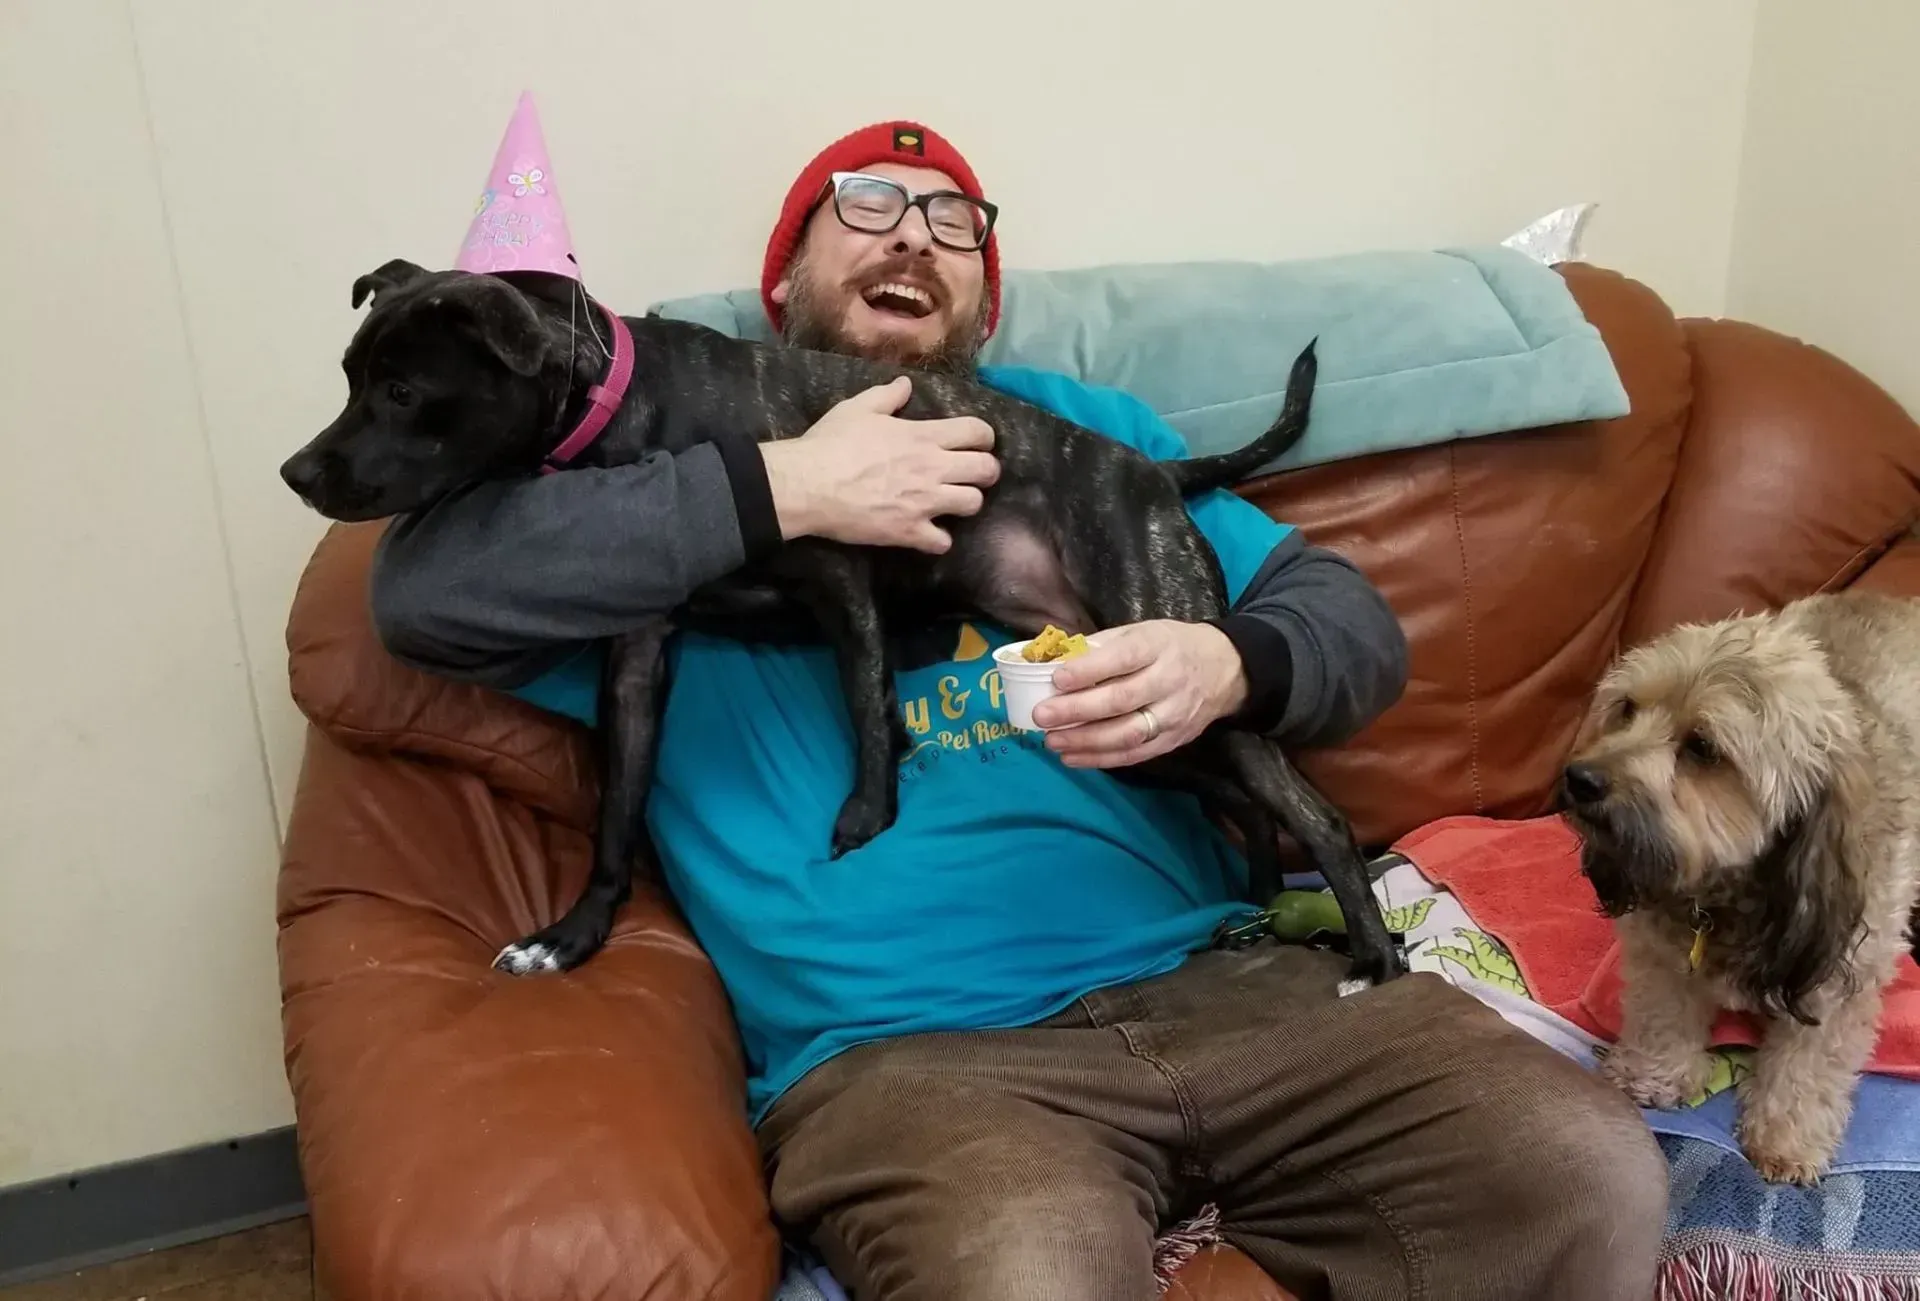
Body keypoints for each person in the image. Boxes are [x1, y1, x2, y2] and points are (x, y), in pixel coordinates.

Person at [369, 120, 1667, 1301]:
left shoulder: (1079, 432)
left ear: (986, 295)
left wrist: (1233, 666)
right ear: (784, 285)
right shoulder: (648, 468)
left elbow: (1350, 626)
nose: (914, 238)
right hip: (917, 1060)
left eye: (955, 223)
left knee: (1581, 1171)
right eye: (866, 205)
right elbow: (422, 590)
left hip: (1240, 994)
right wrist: (783, 491)